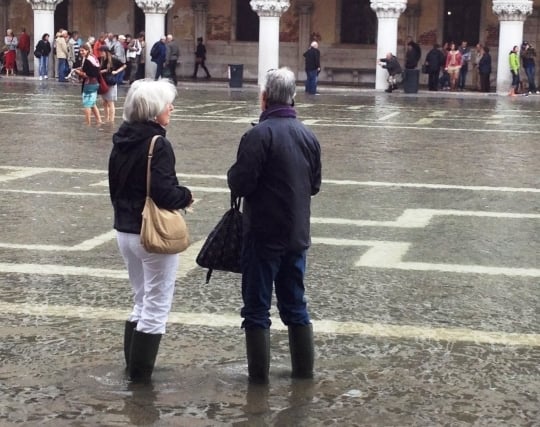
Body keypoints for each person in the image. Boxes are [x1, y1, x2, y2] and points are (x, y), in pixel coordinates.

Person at [227, 67, 321, 384]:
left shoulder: (257, 135)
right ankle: (303, 376)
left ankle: (258, 383)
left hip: (262, 236)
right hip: (297, 236)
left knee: (256, 309)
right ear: (293, 98)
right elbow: (315, 185)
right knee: (295, 306)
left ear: (265, 98)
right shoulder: (309, 136)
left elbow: (240, 183)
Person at [108, 78, 193, 383]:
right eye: (167, 104)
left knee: (140, 300)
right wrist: (186, 195)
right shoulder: (159, 144)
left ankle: (132, 370)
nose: (171, 108)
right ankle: (140, 380)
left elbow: (114, 188)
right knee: (156, 306)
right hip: (150, 235)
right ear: (155, 111)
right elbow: (165, 193)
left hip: (124, 232)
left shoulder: (120, 139)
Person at [73, 43, 103, 125]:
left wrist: (78, 72)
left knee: (87, 105)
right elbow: (94, 70)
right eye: (80, 51)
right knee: (93, 104)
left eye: (83, 51)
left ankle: (88, 123)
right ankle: (99, 121)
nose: (81, 52)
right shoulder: (93, 58)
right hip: (95, 84)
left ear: (87, 50)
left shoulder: (87, 60)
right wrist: (80, 69)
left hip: (89, 84)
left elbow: (88, 74)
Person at [99, 45, 126, 123]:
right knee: (104, 102)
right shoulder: (101, 59)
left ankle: (111, 120)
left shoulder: (113, 59)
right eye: (100, 51)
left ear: (106, 52)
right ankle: (106, 118)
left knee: (110, 102)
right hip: (103, 82)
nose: (100, 53)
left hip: (110, 82)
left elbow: (124, 65)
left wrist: (116, 71)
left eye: (102, 52)